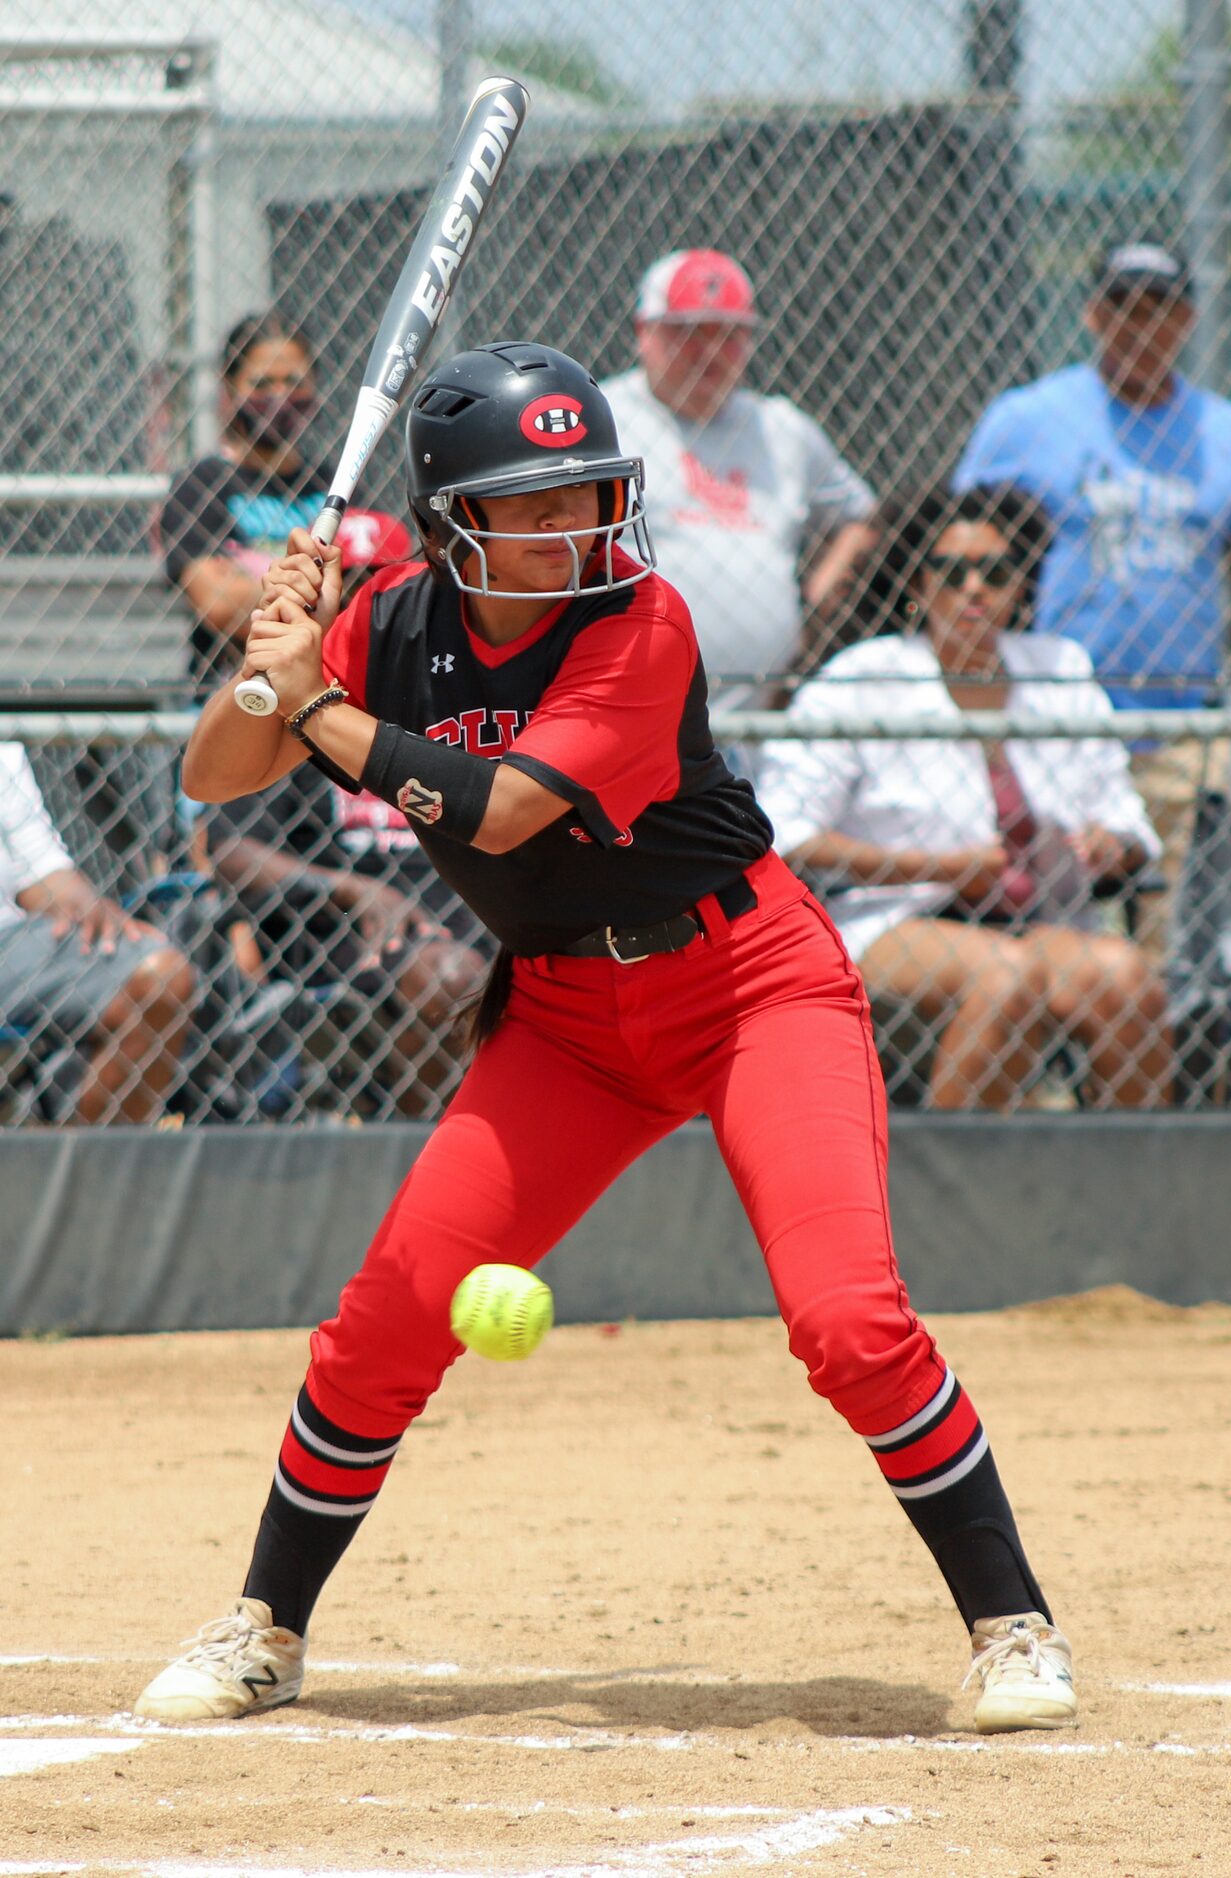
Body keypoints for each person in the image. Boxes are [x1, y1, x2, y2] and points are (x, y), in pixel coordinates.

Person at [134, 343, 1077, 1736]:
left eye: (587, 491)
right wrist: (270, 670)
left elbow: (504, 808)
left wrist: (316, 704)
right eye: (533, 502)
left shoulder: (642, 622)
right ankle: (265, 1624)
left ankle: (1014, 1624)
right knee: (383, 1321)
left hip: (752, 984)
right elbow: (216, 774)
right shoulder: (389, 619)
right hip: (568, 1020)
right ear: (459, 521)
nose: (574, 523)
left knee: (845, 1321)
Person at [757, 485, 1172, 1111]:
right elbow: (786, 836)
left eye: (997, 572)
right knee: (1011, 978)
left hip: (1040, 922)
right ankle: (948, 1194)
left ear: (1020, 587)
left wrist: (1111, 846)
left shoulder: (1058, 668)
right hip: (895, 914)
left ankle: (1134, 1191)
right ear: (918, 586)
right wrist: (941, 868)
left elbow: (1128, 820)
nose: (975, 588)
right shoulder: (863, 679)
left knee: (1125, 975)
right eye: (952, 574)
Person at [954, 240, 1231, 945]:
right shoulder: (1027, 419)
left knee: (1165, 951)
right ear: (1091, 314)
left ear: (1186, 319)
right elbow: (962, 542)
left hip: (1179, 727)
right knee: (1053, 933)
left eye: (1159, 309)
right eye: (1122, 307)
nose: (1140, 326)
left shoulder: (1228, 434)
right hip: (1055, 721)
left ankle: (1160, 1047)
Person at [201, 508, 489, 1118]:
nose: (361, 602)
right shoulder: (284, 699)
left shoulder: (443, 687)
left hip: (470, 923)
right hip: (341, 942)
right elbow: (231, 847)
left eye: (376, 583)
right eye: (346, 584)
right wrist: (356, 893)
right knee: (445, 977)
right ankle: (427, 1154)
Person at [601, 249, 877, 727]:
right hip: (632, 711)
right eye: (687, 332)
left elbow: (863, 517)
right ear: (643, 332)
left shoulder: (780, 429)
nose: (709, 351)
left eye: (728, 334)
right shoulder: (604, 421)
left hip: (763, 716)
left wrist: (812, 603)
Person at [0, 742, 197, 1123]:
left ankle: (82, 1170)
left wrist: (88, 905)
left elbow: (39, 869)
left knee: (161, 976)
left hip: (8, 943)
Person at [160, 311, 332, 695]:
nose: (280, 396)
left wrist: (252, 583)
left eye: (294, 382)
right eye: (261, 383)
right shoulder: (202, 484)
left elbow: (375, 592)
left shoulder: (332, 484)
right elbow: (217, 602)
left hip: (321, 689)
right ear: (230, 390)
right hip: (230, 690)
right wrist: (324, 590)